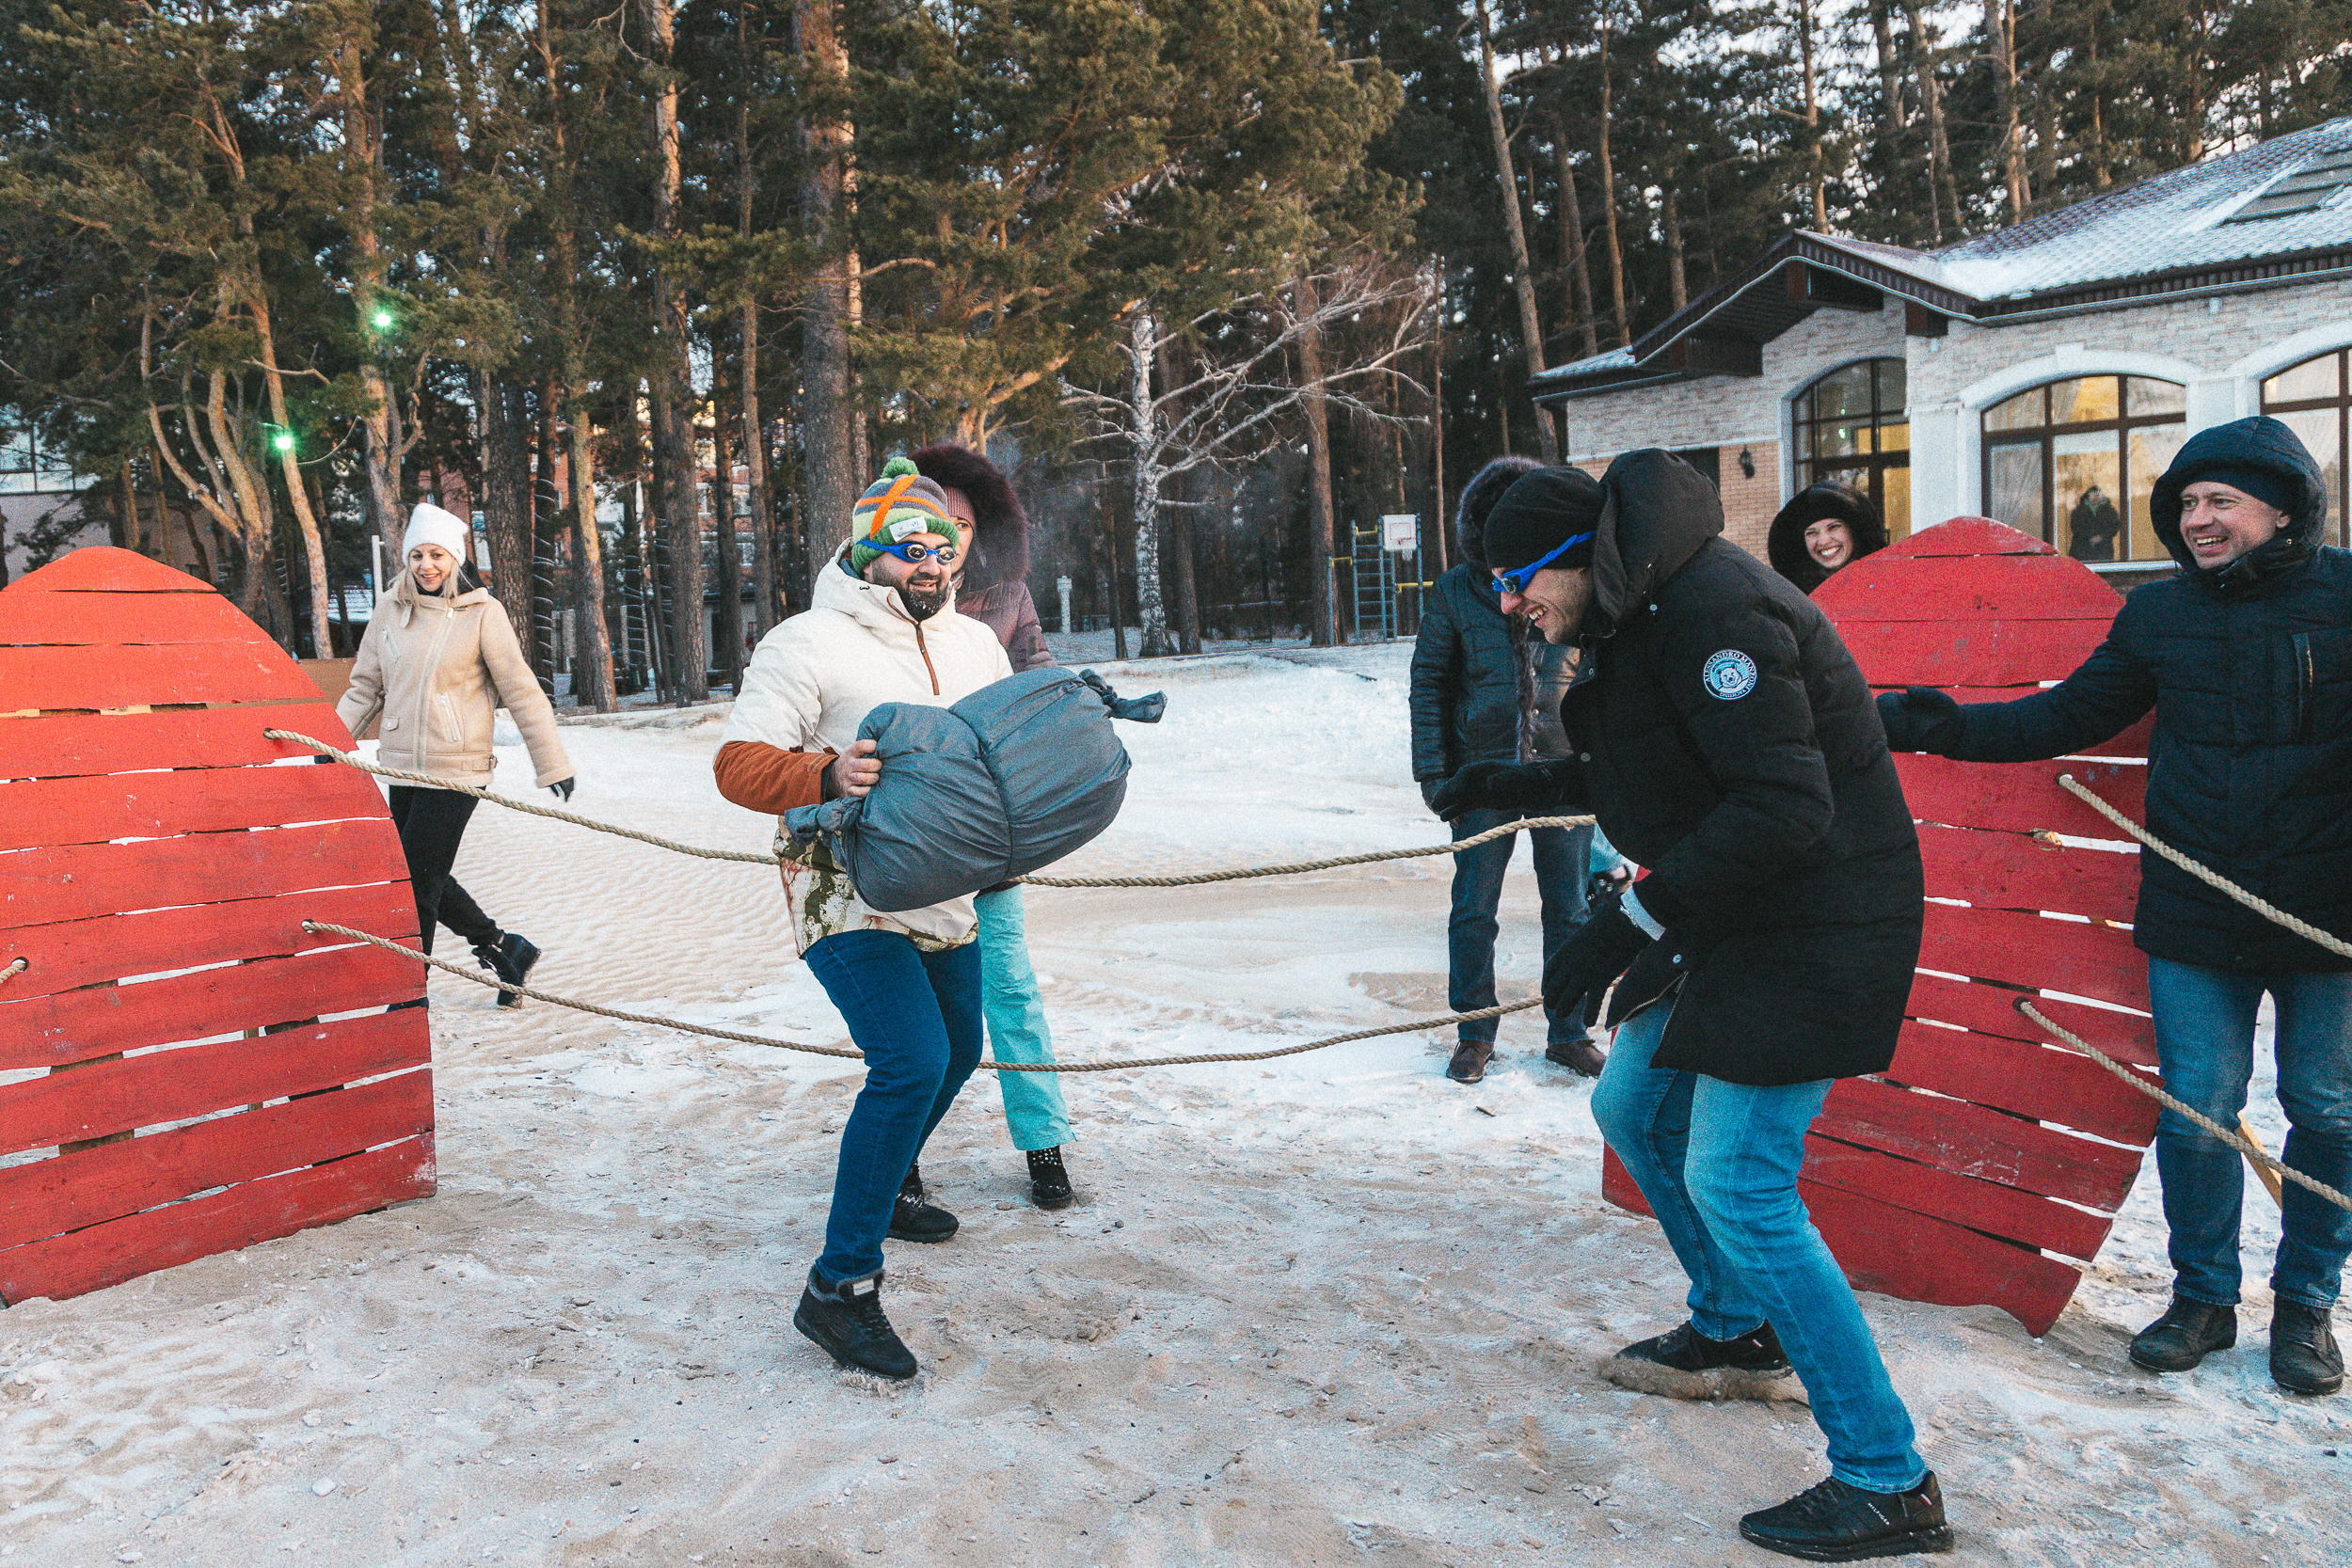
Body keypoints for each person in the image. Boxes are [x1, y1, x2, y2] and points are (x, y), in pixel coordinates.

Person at [1434, 453, 1948, 1560]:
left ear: (1574, 555)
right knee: (1630, 1107)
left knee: (1739, 1181)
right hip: (1732, 908)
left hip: (1816, 916)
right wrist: (1518, 783)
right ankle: (1734, 1325)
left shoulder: (1718, 610)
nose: (1509, 605)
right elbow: (1662, 767)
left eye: (1516, 581)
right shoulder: (1636, 608)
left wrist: (1629, 919)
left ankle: (1886, 1475)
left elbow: (1783, 802)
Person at [1880, 416, 2351, 1399]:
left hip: (2331, 914)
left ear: (2283, 510)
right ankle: (2202, 1296)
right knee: (2196, 1112)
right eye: (2186, 503)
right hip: (2196, 908)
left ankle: (2306, 1302)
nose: (2199, 518)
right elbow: (2068, 714)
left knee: (2328, 1109)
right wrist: (1935, 725)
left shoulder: (2347, 595)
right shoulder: (2158, 615)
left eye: (2221, 501)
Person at [712, 456, 1013, 1381]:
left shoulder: (976, 644)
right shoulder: (808, 640)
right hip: (838, 876)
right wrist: (825, 771)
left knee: (957, 1051)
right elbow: (735, 763)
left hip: (945, 878)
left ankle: (887, 1183)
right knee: (911, 1057)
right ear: (867, 552)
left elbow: (1004, 748)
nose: (931, 564)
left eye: (943, 548)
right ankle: (839, 1288)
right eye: (909, 549)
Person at [910, 441, 1076, 1211]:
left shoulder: (1007, 600)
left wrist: (1074, 708)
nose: (948, 536)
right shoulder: (887, 608)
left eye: (964, 523)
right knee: (915, 1014)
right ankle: (902, 1151)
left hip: (989, 834)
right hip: (913, 838)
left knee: (1009, 987)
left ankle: (1044, 1139)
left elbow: (1039, 682)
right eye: (933, 519)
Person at [1412, 454, 1603, 1084]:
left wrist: (1602, 763)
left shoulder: (1570, 584)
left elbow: (1599, 672)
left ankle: (1568, 1032)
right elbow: (1429, 682)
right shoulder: (1454, 591)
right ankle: (1475, 1032)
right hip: (1482, 772)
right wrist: (1434, 774)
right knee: (1474, 907)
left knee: (1570, 907)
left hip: (1564, 769)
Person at [337, 502, 574, 1006]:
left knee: (417, 881)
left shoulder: (483, 614)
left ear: (455, 558)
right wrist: (331, 741)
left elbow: (523, 691)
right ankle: (503, 947)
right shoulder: (389, 609)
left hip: (457, 768)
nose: (426, 566)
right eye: (417, 555)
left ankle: (409, 994)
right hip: (402, 765)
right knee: (416, 870)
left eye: (437, 555)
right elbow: (364, 688)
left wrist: (551, 762)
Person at [1767, 479, 1887, 595]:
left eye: (1833, 527)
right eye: (1811, 533)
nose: (1823, 541)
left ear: (1853, 531)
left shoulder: (1885, 581)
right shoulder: (1795, 599)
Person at [2068, 484, 2122, 562]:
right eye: (2093, 495)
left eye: (2098, 495)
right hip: (2081, 551)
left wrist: (2102, 537)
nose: (2096, 497)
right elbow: (2076, 527)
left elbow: (2114, 527)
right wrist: (2089, 537)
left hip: (2103, 551)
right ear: (2087, 496)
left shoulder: (2109, 510)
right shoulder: (2079, 510)